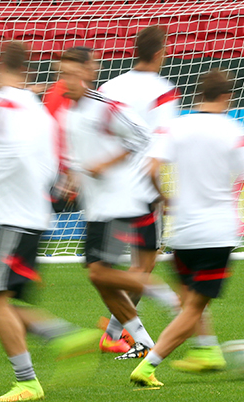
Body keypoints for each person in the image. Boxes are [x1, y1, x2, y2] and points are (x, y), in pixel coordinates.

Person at [0, 42, 101, 402]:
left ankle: (29, 380)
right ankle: (61, 335)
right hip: (32, 218)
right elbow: (50, 165)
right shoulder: (37, 110)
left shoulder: (9, 104)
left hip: (15, 220)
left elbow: (9, 154)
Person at [130, 69, 244, 386]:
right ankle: (149, 365)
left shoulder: (174, 128)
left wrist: (166, 198)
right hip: (216, 232)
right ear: (227, 97)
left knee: (189, 296)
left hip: (183, 232)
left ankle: (207, 351)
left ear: (197, 95)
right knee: (193, 306)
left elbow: (150, 169)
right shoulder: (236, 131)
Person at [60, 47, 181, 360]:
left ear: (90, 73)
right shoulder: (70, 113)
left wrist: (106, 163)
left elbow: (143, 136)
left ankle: (164, 295)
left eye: (73, 74)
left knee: (100, 273)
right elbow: (80, 156)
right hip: (98, 206)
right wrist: (72, 177)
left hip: (123, 201)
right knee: (100, 277)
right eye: (63, 74)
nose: (66, 80)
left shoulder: (105, 106)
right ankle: (142, 341)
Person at [95, 26, 181, 354]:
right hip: (142, 190)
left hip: (107, 189)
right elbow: (160, 143)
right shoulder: (164, 91)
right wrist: (162, 193)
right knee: (142, 267)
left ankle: (118, 331)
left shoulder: (109, 86)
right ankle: (118, 332)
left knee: (109, 267)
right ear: (160, 52)